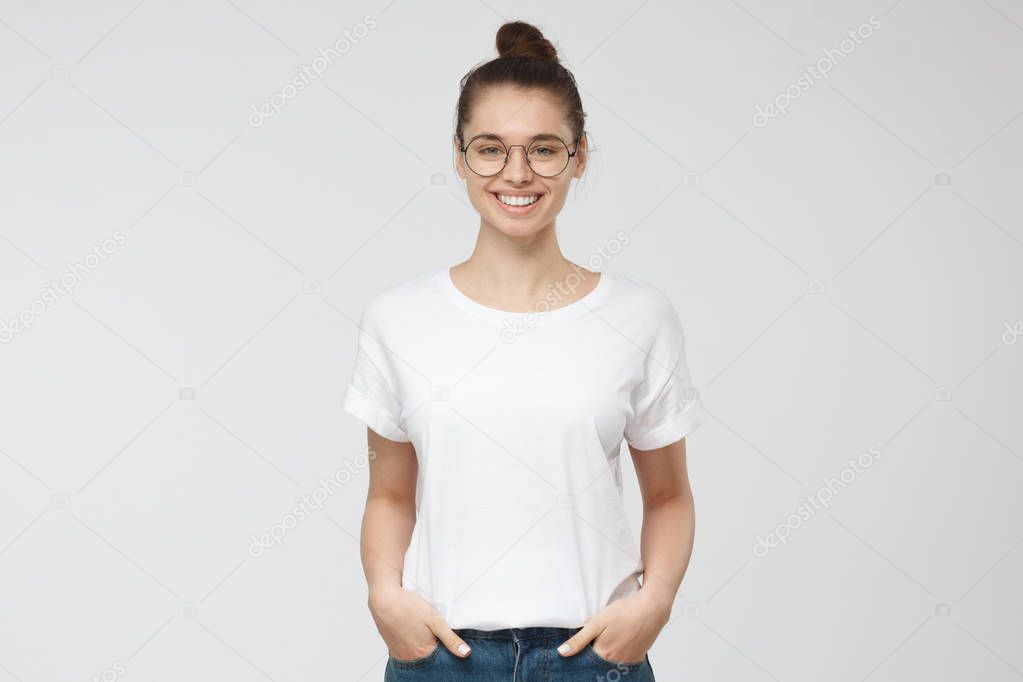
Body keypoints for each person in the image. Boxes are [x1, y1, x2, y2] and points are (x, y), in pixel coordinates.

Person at [343, 20, 707, 681]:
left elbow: (668, 497)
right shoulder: (397, 319)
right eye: (490, 149)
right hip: (440, 660)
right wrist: (385, 599)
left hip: (594, 659)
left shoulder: (639, 317)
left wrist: (651, 605)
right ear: (458, 156)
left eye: (543, 149)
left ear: (580, 155)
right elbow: (390, 496)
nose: (517, 173)